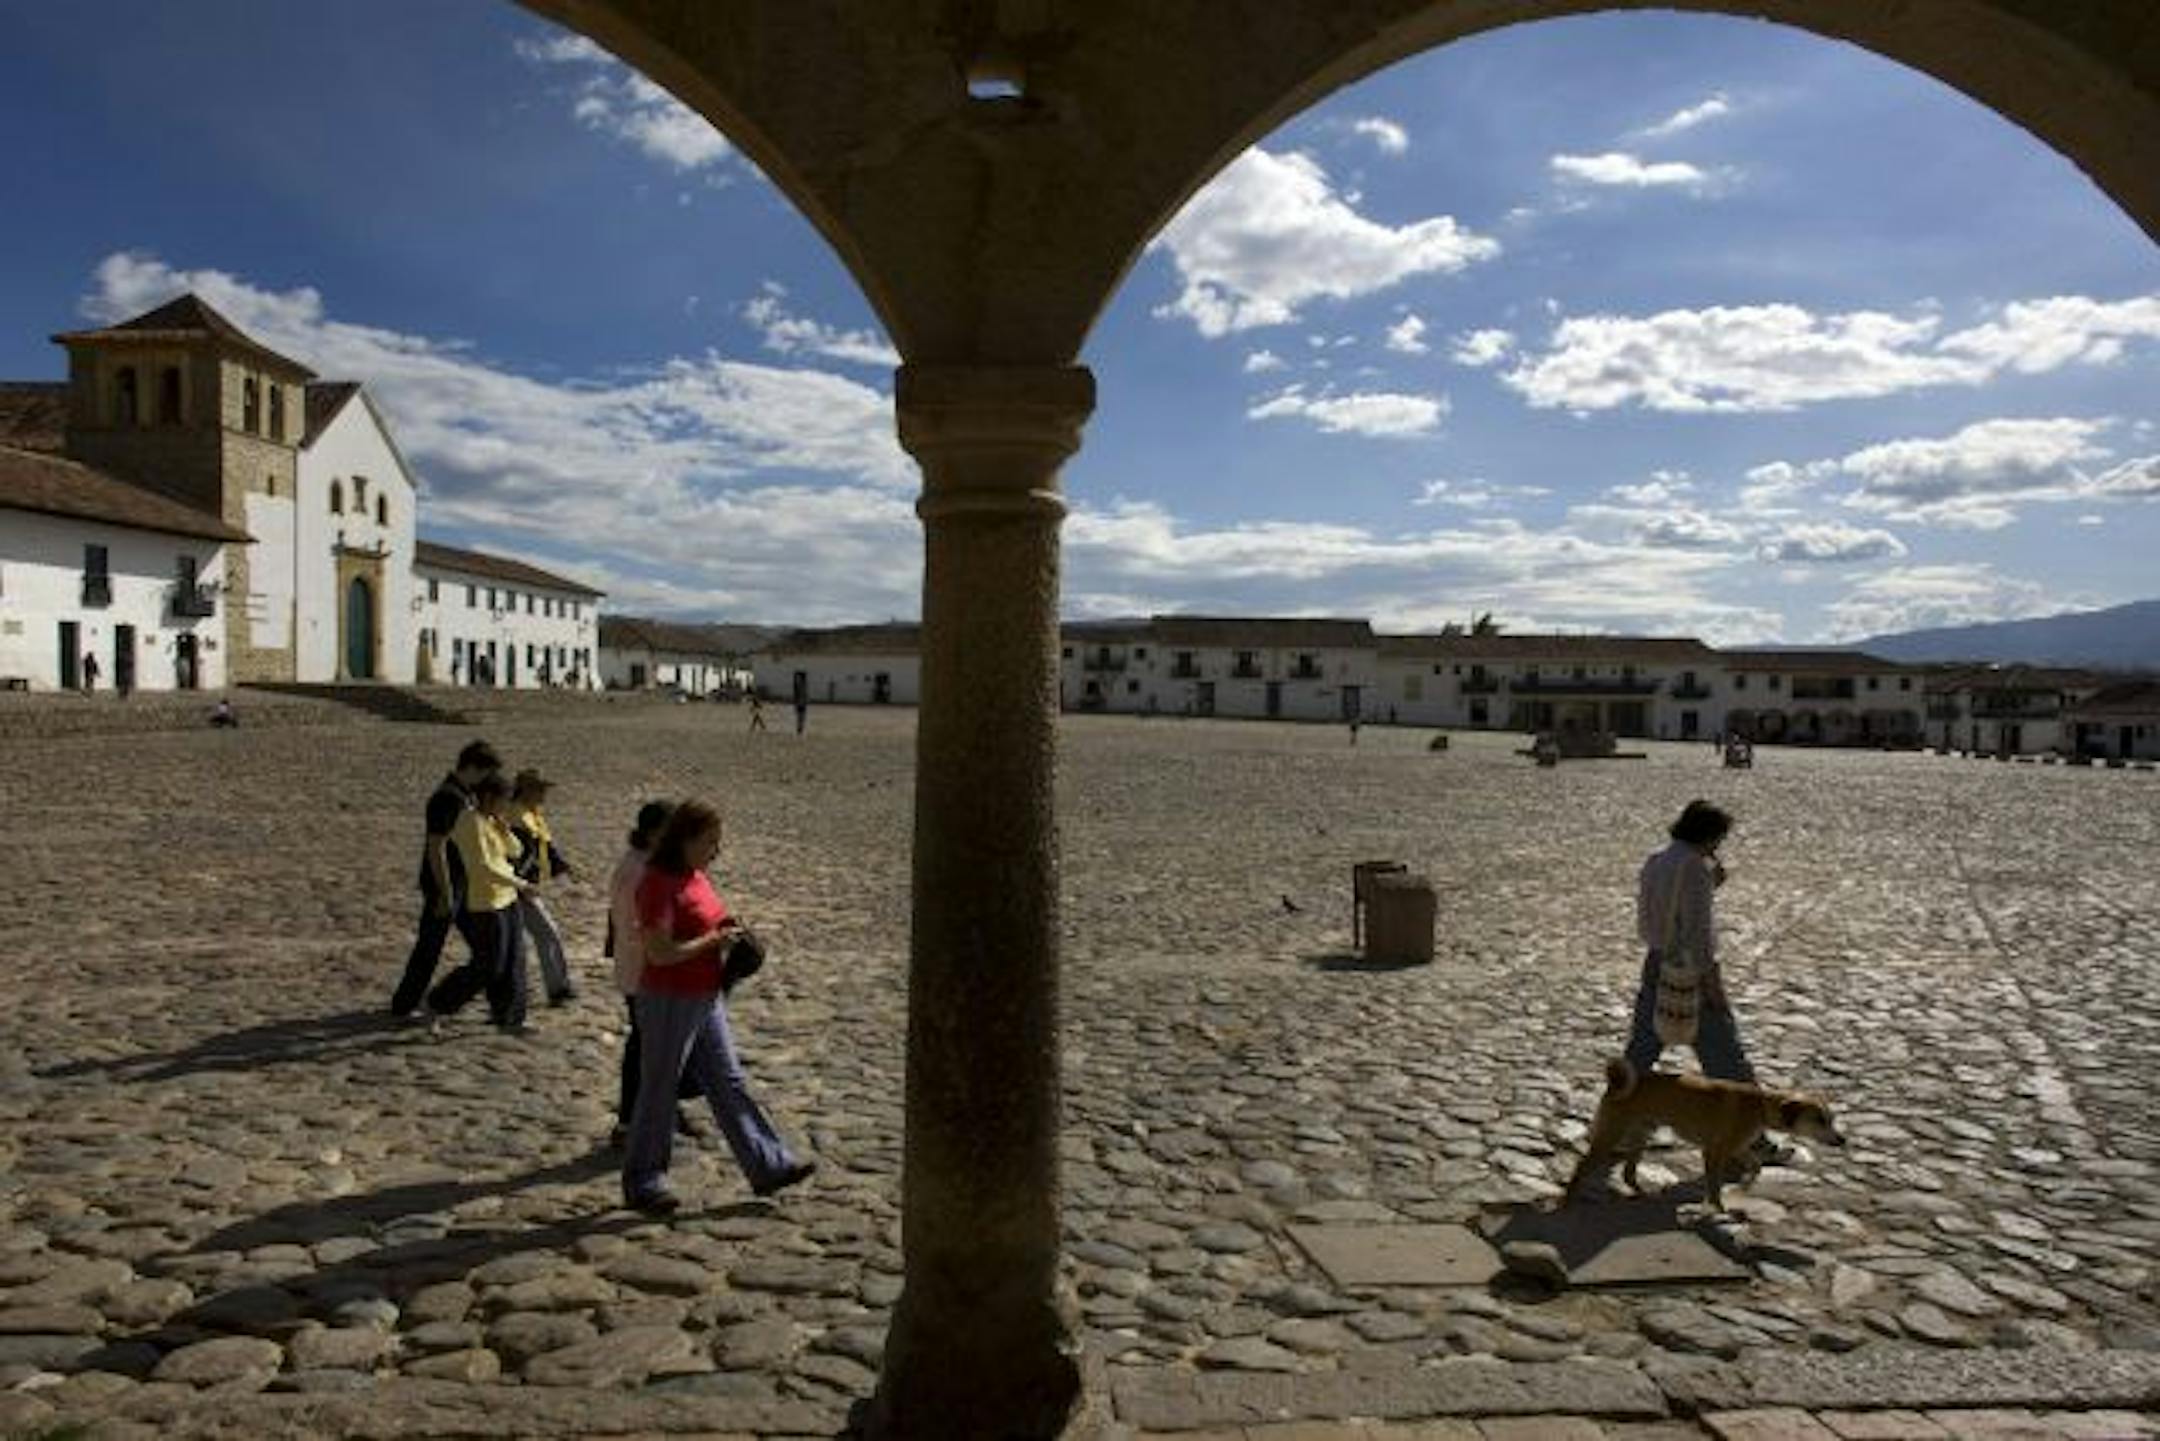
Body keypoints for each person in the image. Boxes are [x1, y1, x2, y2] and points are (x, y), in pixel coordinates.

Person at [623, 799, 813, 1213]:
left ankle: (769, 1164)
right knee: (659, 1088)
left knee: (729, 1081)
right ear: (685, 840)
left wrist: (728, 929)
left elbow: (707, 921)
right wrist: (714, 941)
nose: (717, 851)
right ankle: (644, 1179)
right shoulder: (657, 882)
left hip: (705, 996)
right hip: (669, 998)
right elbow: (660, 953)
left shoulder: (696, 876)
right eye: (711, 842)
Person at [1617, 800, 1786, 1168]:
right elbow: (1696, 932)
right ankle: (1752, 1140)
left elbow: (1663, 910)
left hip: (1656, 959)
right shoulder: (1693, 868)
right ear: (1708, 835)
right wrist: (1714, 987)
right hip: (1689, 970)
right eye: (1718, 839)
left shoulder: (1657, 860)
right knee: (1726, 1057)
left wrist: (1711, 884)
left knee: (1642, 1049)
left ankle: (1617, 1126)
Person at [607, 800, 702, 1148]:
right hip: (645, 972)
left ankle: (663, 1110)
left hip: (650, 969)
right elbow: (639, 928)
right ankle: (629, 1122)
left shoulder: (647, 865)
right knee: (646, 1048)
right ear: (653, 832)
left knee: (659, 1045)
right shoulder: (638, 871)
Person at [390, 740, 501, 1017]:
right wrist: (445, 890)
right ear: (473, 768)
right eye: (485, 774)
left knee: (480, 949)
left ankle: (431, 999)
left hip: (462, 882)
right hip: (447, 884)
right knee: (430, 947)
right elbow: (436, 846)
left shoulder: (463, 795)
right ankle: (409, 1003)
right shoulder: (447, 798)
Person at [425, 771, 535, 1031]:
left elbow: (515, 851)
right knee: (488, 966)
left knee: (512, 961)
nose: (506, 806)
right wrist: (522, 884)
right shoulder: (469, 822)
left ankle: (508, 1018)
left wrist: (504, 830)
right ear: (487, 797)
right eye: (502, 800)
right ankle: (438, 1002)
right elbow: (482, 866)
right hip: (484, 904)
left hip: (506, 900)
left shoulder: (489, 820)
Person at [509, 770, 578, 1006]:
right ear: (527, 790)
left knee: (536, 937)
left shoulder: (530, 814)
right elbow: (515, 856)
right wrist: (521, 884)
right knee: (545, 934)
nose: (544, 794)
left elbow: (545, 846)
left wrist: (562, 867)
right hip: (516, 889)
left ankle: (558, 987)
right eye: (540, 789)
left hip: (523, 887)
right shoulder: (516, 817)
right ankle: (557, 988)